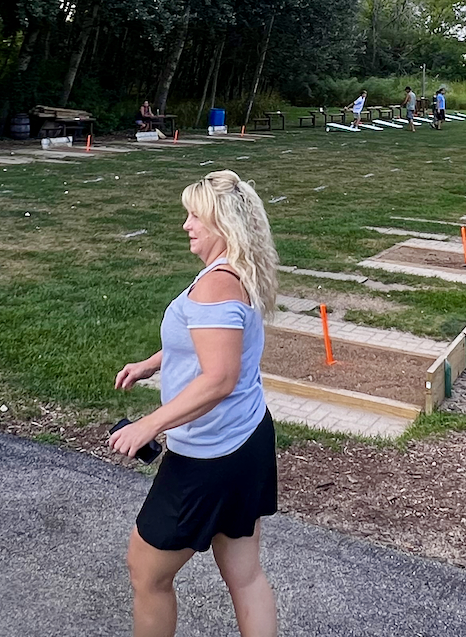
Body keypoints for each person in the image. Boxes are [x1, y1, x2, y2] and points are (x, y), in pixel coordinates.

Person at [110, 171, 279, 637]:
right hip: (247, 440)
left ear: (223, 224)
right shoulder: (236, 273)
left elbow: (219, 378)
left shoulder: (215, 284)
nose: (186, 225)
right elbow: (210, 343)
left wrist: (150, 425)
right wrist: (152, 362)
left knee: (147, 572)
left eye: (195, 216)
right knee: (245, 576)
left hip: (211, 455)